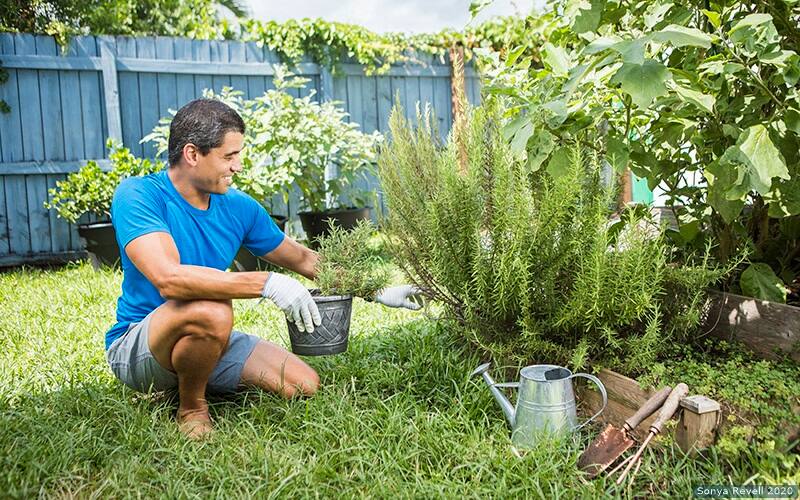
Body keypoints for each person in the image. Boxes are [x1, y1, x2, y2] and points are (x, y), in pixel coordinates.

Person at [104, 98, 423, 439]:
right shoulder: (139, 195)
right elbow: (169, 279)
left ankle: (191, 366)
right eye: (229, 156)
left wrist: (375, 290)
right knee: (212, 309)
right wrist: (268, 283)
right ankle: (192, 407)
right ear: (193, 154)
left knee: (302, 384)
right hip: (139, 344)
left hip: (206, 332)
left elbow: (303, 259)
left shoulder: (238, 208)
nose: (238, 166)